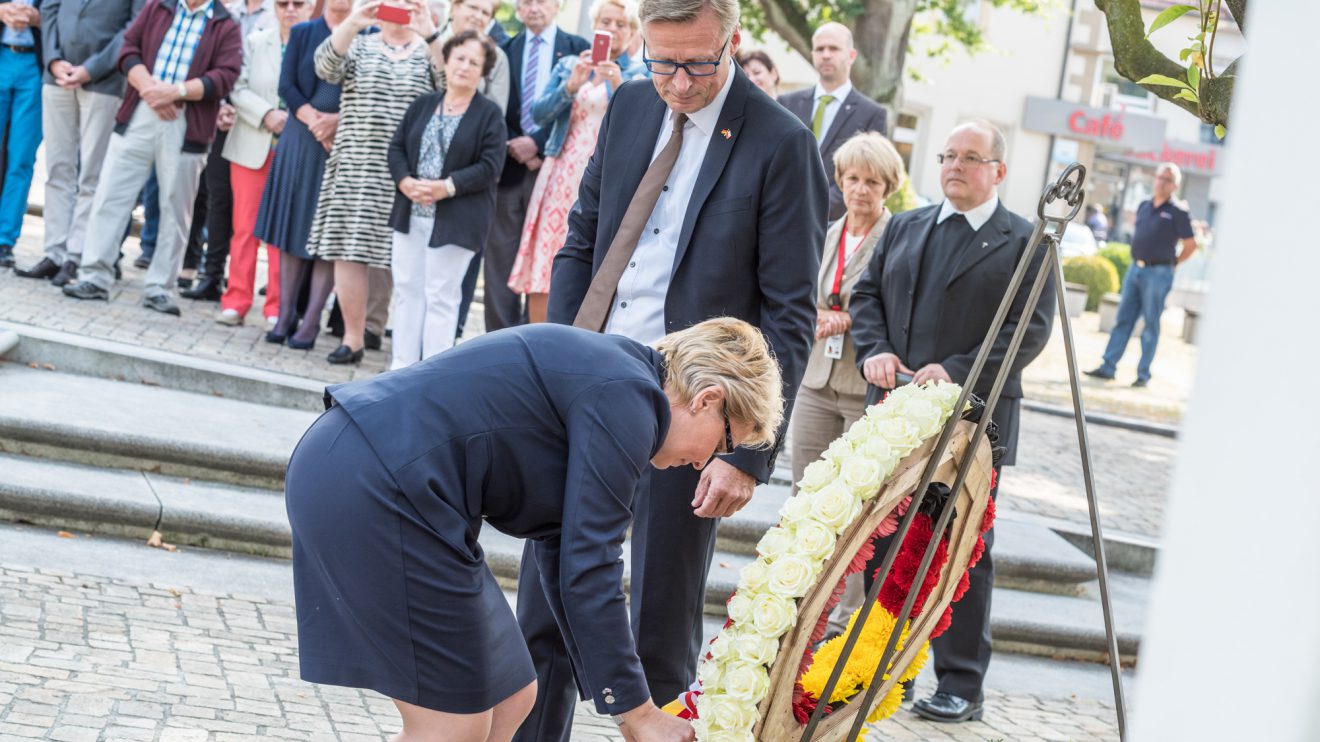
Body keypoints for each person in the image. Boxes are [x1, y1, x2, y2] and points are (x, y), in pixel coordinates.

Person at [514, 0, 826, 738]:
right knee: (545, 609)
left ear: (732, 42)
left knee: (659, 623)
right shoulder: (627, 103)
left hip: (695, 412)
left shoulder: (782, 144)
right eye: (661, 63)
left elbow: (789, 312)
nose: (678, 85)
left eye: (696, 63)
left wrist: (747, 451)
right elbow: (581, 237)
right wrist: (559, 354)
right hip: (584, 388)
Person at [287, 317, 781, 742]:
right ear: (706, 399)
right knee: (453, 726)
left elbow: (565, 549)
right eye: (724, 442)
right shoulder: (628, 397)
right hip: (376, 483)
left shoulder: (624, 384)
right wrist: (639, 714)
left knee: (512, 695)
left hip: (391, 483)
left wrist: (625, 706)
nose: (703, 463)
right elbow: (590, 564)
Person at [850, 120, 1056, 724]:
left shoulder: (1025, 241)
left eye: (972, 157)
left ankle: (961, 683)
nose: (955, 166)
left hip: (974, 422)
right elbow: (865, 298)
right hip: (893, 415)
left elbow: (1029, 329)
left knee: (962, 551)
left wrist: (957, 371)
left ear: (999, 170)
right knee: (886, 544)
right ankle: (882, 672)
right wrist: (875, 349)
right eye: (948, 156)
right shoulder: (907, 226)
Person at [789, 131, 904, 640]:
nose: (860, 190)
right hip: (816, 380)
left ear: (888, 187)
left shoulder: (898, 236)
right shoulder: (826, 230)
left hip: (866, 387)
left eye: (872, 181)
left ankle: (842, 622)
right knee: (807, 495)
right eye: (853, 178)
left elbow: (892, 306)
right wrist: (817, 314)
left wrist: (851, 320)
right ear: (839, 180)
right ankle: (802, 606)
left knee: (857, 507)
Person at [61, 0, 243, 315]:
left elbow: (225, 76)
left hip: (187, 121)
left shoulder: (226, 25)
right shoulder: (158, 6)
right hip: (139, 113)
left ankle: (160, 288)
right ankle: (94, 276)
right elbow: (128, 49)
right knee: (111, 196)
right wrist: (150, 91)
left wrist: (176, 92)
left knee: (176, 208)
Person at [304, 0, 440, 364]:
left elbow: (448, 85)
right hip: (355, 166)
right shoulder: (360, 43)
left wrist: (430, 31)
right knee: (350, 252)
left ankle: (406, 342)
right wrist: (353, 21)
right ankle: (353, 338)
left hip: (407, 172)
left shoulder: (429, 48)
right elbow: (324, 67)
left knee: (406, 259)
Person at [506, 0, 643, 324]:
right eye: (605, 21)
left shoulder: (637, 73)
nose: (611, 28)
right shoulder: (570, 64)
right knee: (545, 263)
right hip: (559, 173)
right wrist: (570, 86)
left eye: (620, 24)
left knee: (587, 263)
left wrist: (615, 85)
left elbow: (637, 125)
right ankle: (537, 341)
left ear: (632, 32)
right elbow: (539, 115)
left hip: (603, 179)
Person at [386, 30, 504, 368]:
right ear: (447, 60)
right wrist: (405, 181)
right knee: (407, 290)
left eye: (474, 62)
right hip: (412, 212)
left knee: (441, 296)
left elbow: (490, 165)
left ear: (483, 71)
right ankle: (401, 368)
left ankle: (431, 373)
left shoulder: (489, 114)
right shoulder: (424, 104)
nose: (464, 67)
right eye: (460, 58)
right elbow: (396, 148)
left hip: (458, 218)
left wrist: (446, 187)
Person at [13, 0, 142, 285]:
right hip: (55, 75)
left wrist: (92, 69)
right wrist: (53, 59)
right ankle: (54, 253)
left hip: (104, 81)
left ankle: (77, 256)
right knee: (58, 170)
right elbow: (49, 10)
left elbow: (133, 27)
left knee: (91, 176)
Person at [479, 0, 588, 333]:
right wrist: (516, 142)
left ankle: (535, 334)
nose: (534, 8)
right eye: (526, 2)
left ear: (557, 6)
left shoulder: (578, 50)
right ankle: (499, 338)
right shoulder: (502, 49)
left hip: (557, 169)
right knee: (500, 257)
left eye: (542, 1)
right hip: (509, 165)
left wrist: (537, 143)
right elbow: (494, 105)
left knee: (547, 259)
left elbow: (582, 110)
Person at [254, 0, 348, 344]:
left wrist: (336, 123)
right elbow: (287, 86)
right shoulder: (303, 32)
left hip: (342, 141)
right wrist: (315, 123)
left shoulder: (366, 36)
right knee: (294, 227)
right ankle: (284, 315)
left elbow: (364, 92)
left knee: (326, 236)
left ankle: (311, 322)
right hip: (301, 136)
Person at [214, 0, 313, 326]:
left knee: (281, 231)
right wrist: (266, 114)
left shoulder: (319, 47)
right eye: (284, 3)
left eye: (299, 4)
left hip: (294, 152)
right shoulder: (257, 41)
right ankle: (236, 300)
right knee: (244, 228)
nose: (290, 10)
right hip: (252, 145)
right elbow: (236, 87)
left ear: (311, 7)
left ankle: (277, 307)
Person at [181, 0, 276, 302]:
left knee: (260, 213)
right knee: (217, 198)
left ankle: (276, 290)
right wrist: (222, 106)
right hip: (223, 120)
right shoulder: (225, 13)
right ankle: (212, 275)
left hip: (262, 124)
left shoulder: (281, 12)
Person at [1086, 163, 1197, 388]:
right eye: (1159, 177)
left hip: (1159, 273)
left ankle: (1143, 374)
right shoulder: (1145, 205)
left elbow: (1191, 244)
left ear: (1175, 185)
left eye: (1167, 179)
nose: (1161, 182)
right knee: (1123, 320)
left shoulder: (1178, 212)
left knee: (1150, 324)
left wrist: (1174, 262)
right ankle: (1108, 367)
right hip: (1135, 269)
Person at [778, 22, 887, 221]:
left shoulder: (872, 114)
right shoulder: (786, 103)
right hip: (780, 217)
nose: (826, 54)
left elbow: (868, 175)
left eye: (834, 48)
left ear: (851, 56)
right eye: (820, 49)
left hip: (833, 224)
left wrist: (810, 210)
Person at [0, 0, 43, 270]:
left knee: (21, 157)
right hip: (2, 56)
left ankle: (5, 239)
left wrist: (41, 18)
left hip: (35, 66)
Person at [438, 0, 510, 112]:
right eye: (473, 7)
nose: (478, 16)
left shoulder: (498, 58)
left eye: (485, 13)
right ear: (455, 7)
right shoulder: (427, 43)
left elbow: (496, 114)